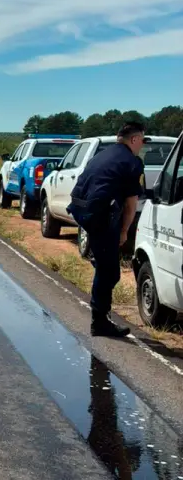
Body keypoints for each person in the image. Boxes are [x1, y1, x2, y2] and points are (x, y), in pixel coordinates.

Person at [67, 121, 147, 338]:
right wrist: (124, 231)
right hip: (99, 216)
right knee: (110, 272)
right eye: (142, 140)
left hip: (79, 209)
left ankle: (98, 256)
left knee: (104, 262)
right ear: (134, 139)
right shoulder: (131, 162)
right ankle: (99, 322)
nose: (142, 145)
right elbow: (131, 204)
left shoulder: (103, 154)